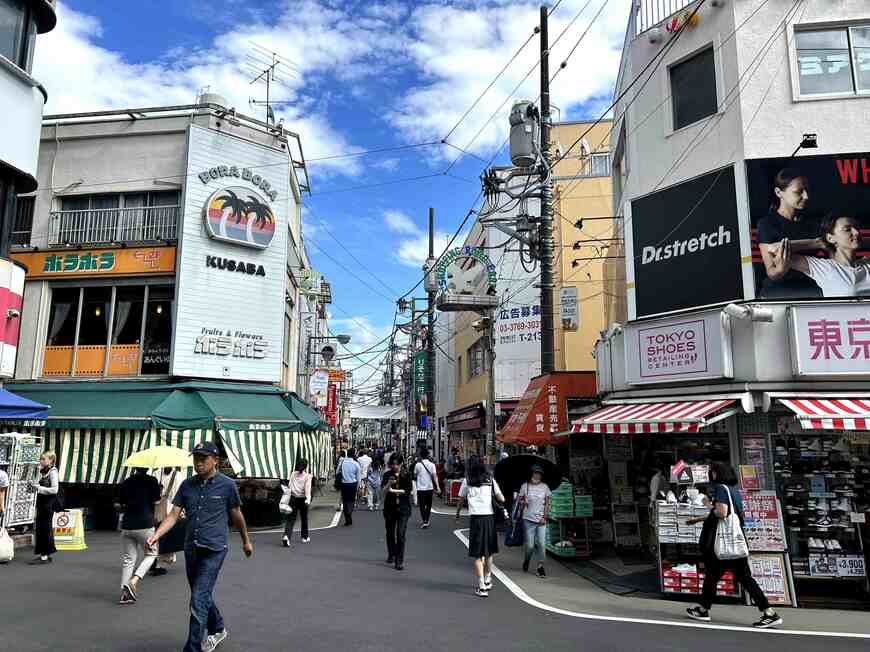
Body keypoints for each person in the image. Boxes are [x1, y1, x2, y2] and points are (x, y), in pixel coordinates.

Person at [147, 442, 253, 652]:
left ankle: (192, 648)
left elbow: (237, 515)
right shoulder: (187, 485)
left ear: (216, 460)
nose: (198, 463)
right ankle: (218, 628)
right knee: (201, 595)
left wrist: (246, 541)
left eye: (203, 458)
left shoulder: (227, 485)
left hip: (214, 550)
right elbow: (173, 515)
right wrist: (156, 535)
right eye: (196, 458)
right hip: (192, 549)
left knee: (198, 599)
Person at [686, 462, 782, 629]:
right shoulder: (734, 491)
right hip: (735, 542)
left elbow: (722, 513)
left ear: (717, 473)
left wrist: (708, 505)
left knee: (715, 576)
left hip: (724, 544)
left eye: (713, 472)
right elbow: (731, 514)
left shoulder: (721, 489)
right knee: (737, 577)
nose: (711, 475)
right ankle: (768, 612)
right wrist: (699, 518)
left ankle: (703, 610)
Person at [756, 168, 823, 298]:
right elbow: (772, 272)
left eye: (807, 190)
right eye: (799, 192)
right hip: (779, 293)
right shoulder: (767, 224)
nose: (806, 196)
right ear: (778, 192)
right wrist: (780, 270)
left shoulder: (816, 223)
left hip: (812, 291)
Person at [768, 213, 870, 297]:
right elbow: (774, 249)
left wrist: (859, 240)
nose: (856, 232)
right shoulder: (824, 267)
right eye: (847, 229)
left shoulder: (867, 263)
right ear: (830, 238)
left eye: (856, 228)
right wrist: (818, 243)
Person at [455, 456, 506, 598]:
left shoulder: (467, 480)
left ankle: (482, 586)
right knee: (489, 552)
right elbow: (501, 498)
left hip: (476, 519)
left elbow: (461, 499)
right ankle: (488, 579)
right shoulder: (490, 479)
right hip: (489, 518)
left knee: (477, 555)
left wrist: (457, 514)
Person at [117, 467, 161, 604]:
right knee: (152, 554)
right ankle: (134, 580)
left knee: (128, 559)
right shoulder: (152, 480)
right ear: (147, 467)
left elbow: (120, 503)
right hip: (145, 524)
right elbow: (157, 501)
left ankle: (125, 594)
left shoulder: (126, 481)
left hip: (127, 524)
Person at [151, 466, 184, 577]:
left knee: (159, 535)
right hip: (168, 510)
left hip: (160, 509)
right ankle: (158, 565)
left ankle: (155, 560)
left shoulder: (157, 473)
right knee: (164, 537)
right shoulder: (176, 475)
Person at [518, 465, 551, 578]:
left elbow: (547, 503)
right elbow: (519, 501)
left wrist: (545, 517)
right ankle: (527, 560)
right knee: (530, 546)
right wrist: (523, 502)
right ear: (531, 474)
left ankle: (540, 567)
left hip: (541, 520)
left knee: (542, 544)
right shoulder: (524, 486)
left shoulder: (545, 487)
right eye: (535, 473)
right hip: (528, 520)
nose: (537, 475)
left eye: (539, 474)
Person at [383, 453, 412, 570]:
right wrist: (389, 484)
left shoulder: (406, 474)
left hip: (404, 508)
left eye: (397, 464)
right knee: (390, 533)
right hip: (390, 508)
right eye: (393, 464)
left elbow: (408, 491)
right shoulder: (387, 475)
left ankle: (399, 561)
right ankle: (392, 553)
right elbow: (384, 491)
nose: (395, 466)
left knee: (400, 534)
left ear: (401, 464)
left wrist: (393, 490)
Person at [28, 451, 59, 565]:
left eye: (43, 459)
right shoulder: (42, 471)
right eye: (41, 459)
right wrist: (32, 486)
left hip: (48, 504)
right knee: (42, 529)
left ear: (50, 460)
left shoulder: (53, 472)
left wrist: (39, 488)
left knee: (44, 529)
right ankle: (45, 554)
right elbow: (36, 487)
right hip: (41, 503)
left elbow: (55, 490)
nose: (41, 461)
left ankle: (44, 556)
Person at [282, 458, 312, 547]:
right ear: (305, 467)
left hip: (293, 498)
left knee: (290, 519)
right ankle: (304, 537)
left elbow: (289, 486)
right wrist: (308, 499)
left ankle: (286, 536)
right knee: (304, 518)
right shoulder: (308, 476)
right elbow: (307, 489)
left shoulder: (293, 474)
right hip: (303, 499)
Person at [414, 449, 440, 528]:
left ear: (420, 456)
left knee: (422, 505)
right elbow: (435, 476)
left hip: (420, 488)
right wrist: (438, 487)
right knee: (429, 505)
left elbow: (415, 475)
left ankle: (424, 520)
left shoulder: (418, 465)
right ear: (428, 455)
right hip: (429, 488)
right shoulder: (432, 465)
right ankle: (427, 519)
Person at [337, 448, 361, 526]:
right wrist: (358, 487)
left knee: (345, 501)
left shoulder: (343, 462)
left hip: (344, 484)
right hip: (353, 484)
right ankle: (349, 513)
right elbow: (358, 478)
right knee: (351, 501)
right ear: (354, 454)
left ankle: (347, 517)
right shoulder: (356, 464)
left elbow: (337, 472)